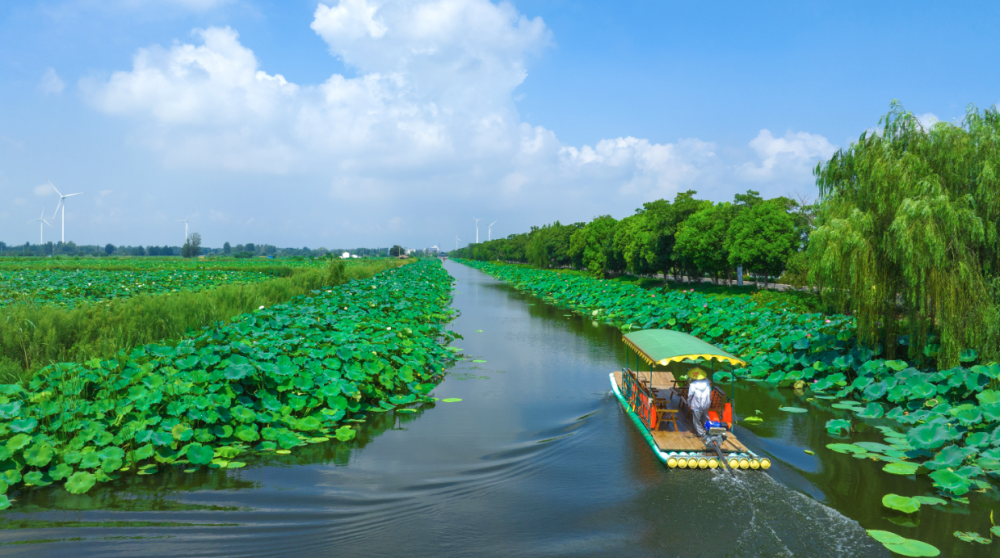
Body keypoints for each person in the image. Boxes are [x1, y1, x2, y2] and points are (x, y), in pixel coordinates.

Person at [687, 367, 712, 440]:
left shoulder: (693, 385)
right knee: (706, 418)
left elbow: (690, 396)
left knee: (696, 420)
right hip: (706, 404)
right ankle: (710, 430)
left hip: (697, 405)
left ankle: (701, 433)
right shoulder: (707, 382)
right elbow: (710, 392)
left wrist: (689, 404)